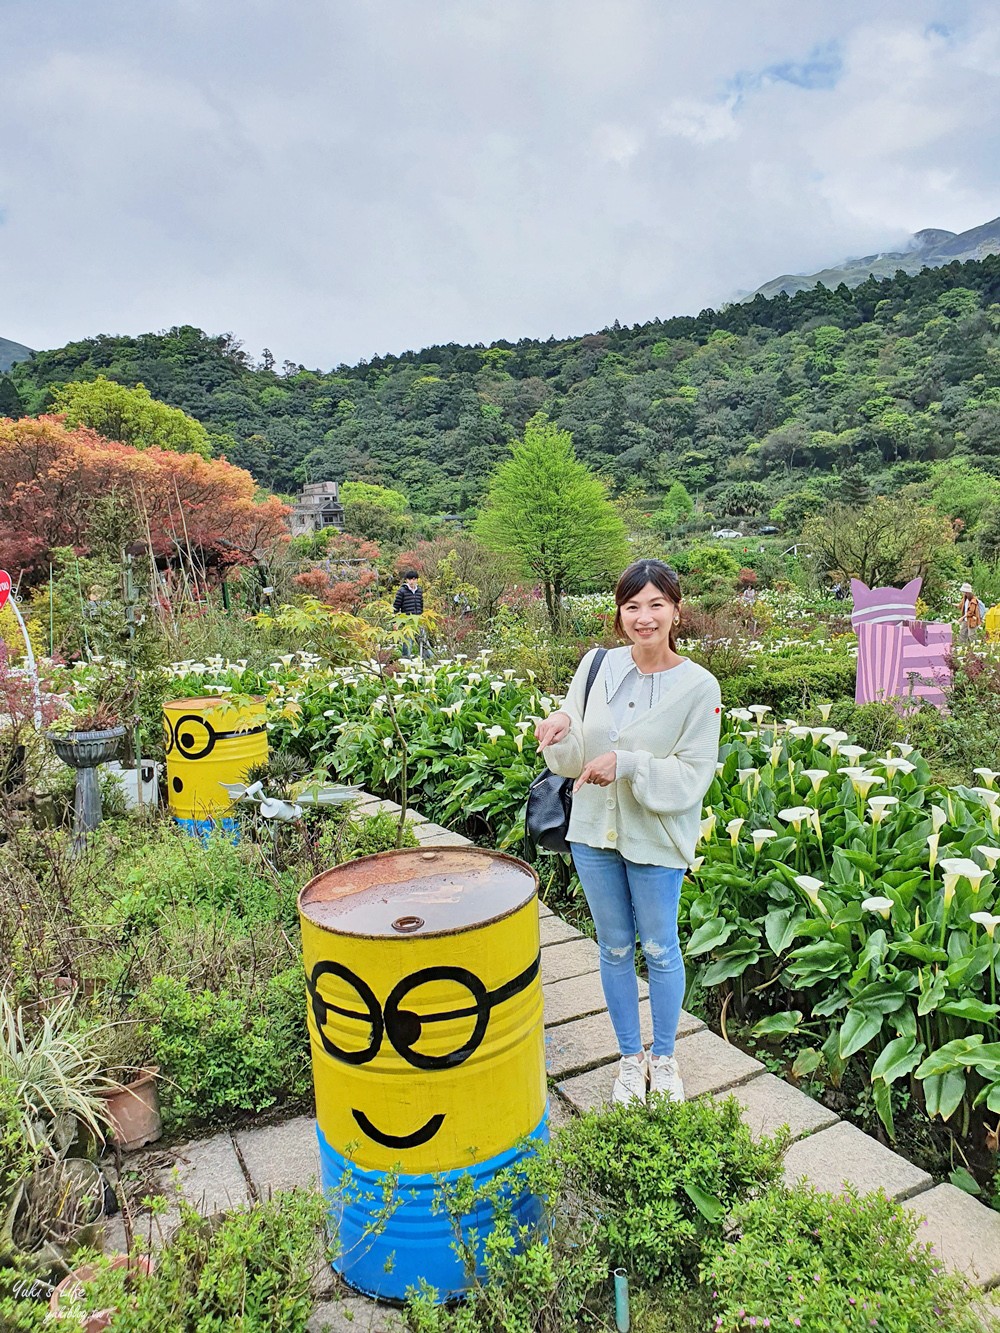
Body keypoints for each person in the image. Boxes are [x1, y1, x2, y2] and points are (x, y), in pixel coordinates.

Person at [534, 559, 721, 1106]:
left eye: (656, 604)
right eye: (632, 605)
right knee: (614, 948)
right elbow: (573, 737)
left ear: (676, 611)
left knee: (661, 948)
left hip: (656, 839)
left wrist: (631, 763)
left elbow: (694, 773)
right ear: (619, 613)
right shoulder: (597, 666)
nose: (644, 617)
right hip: (593, 832)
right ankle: (627, 1057)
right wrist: (559, 726)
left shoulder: (697, 686)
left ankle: (663, 1058)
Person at [393, 569, 428, 658]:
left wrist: (422, 618)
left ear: (417, 579)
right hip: (407, 621)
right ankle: (406, 660)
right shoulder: (402, 591)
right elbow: (396, 607)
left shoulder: (419, 591)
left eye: (414, 579)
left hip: (418, 621)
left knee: (423, 641)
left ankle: (427, 660)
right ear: (406, 580)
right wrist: (395, 622)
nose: (412, 581)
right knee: (407, 642)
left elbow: (421, 605)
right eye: (409, 579)